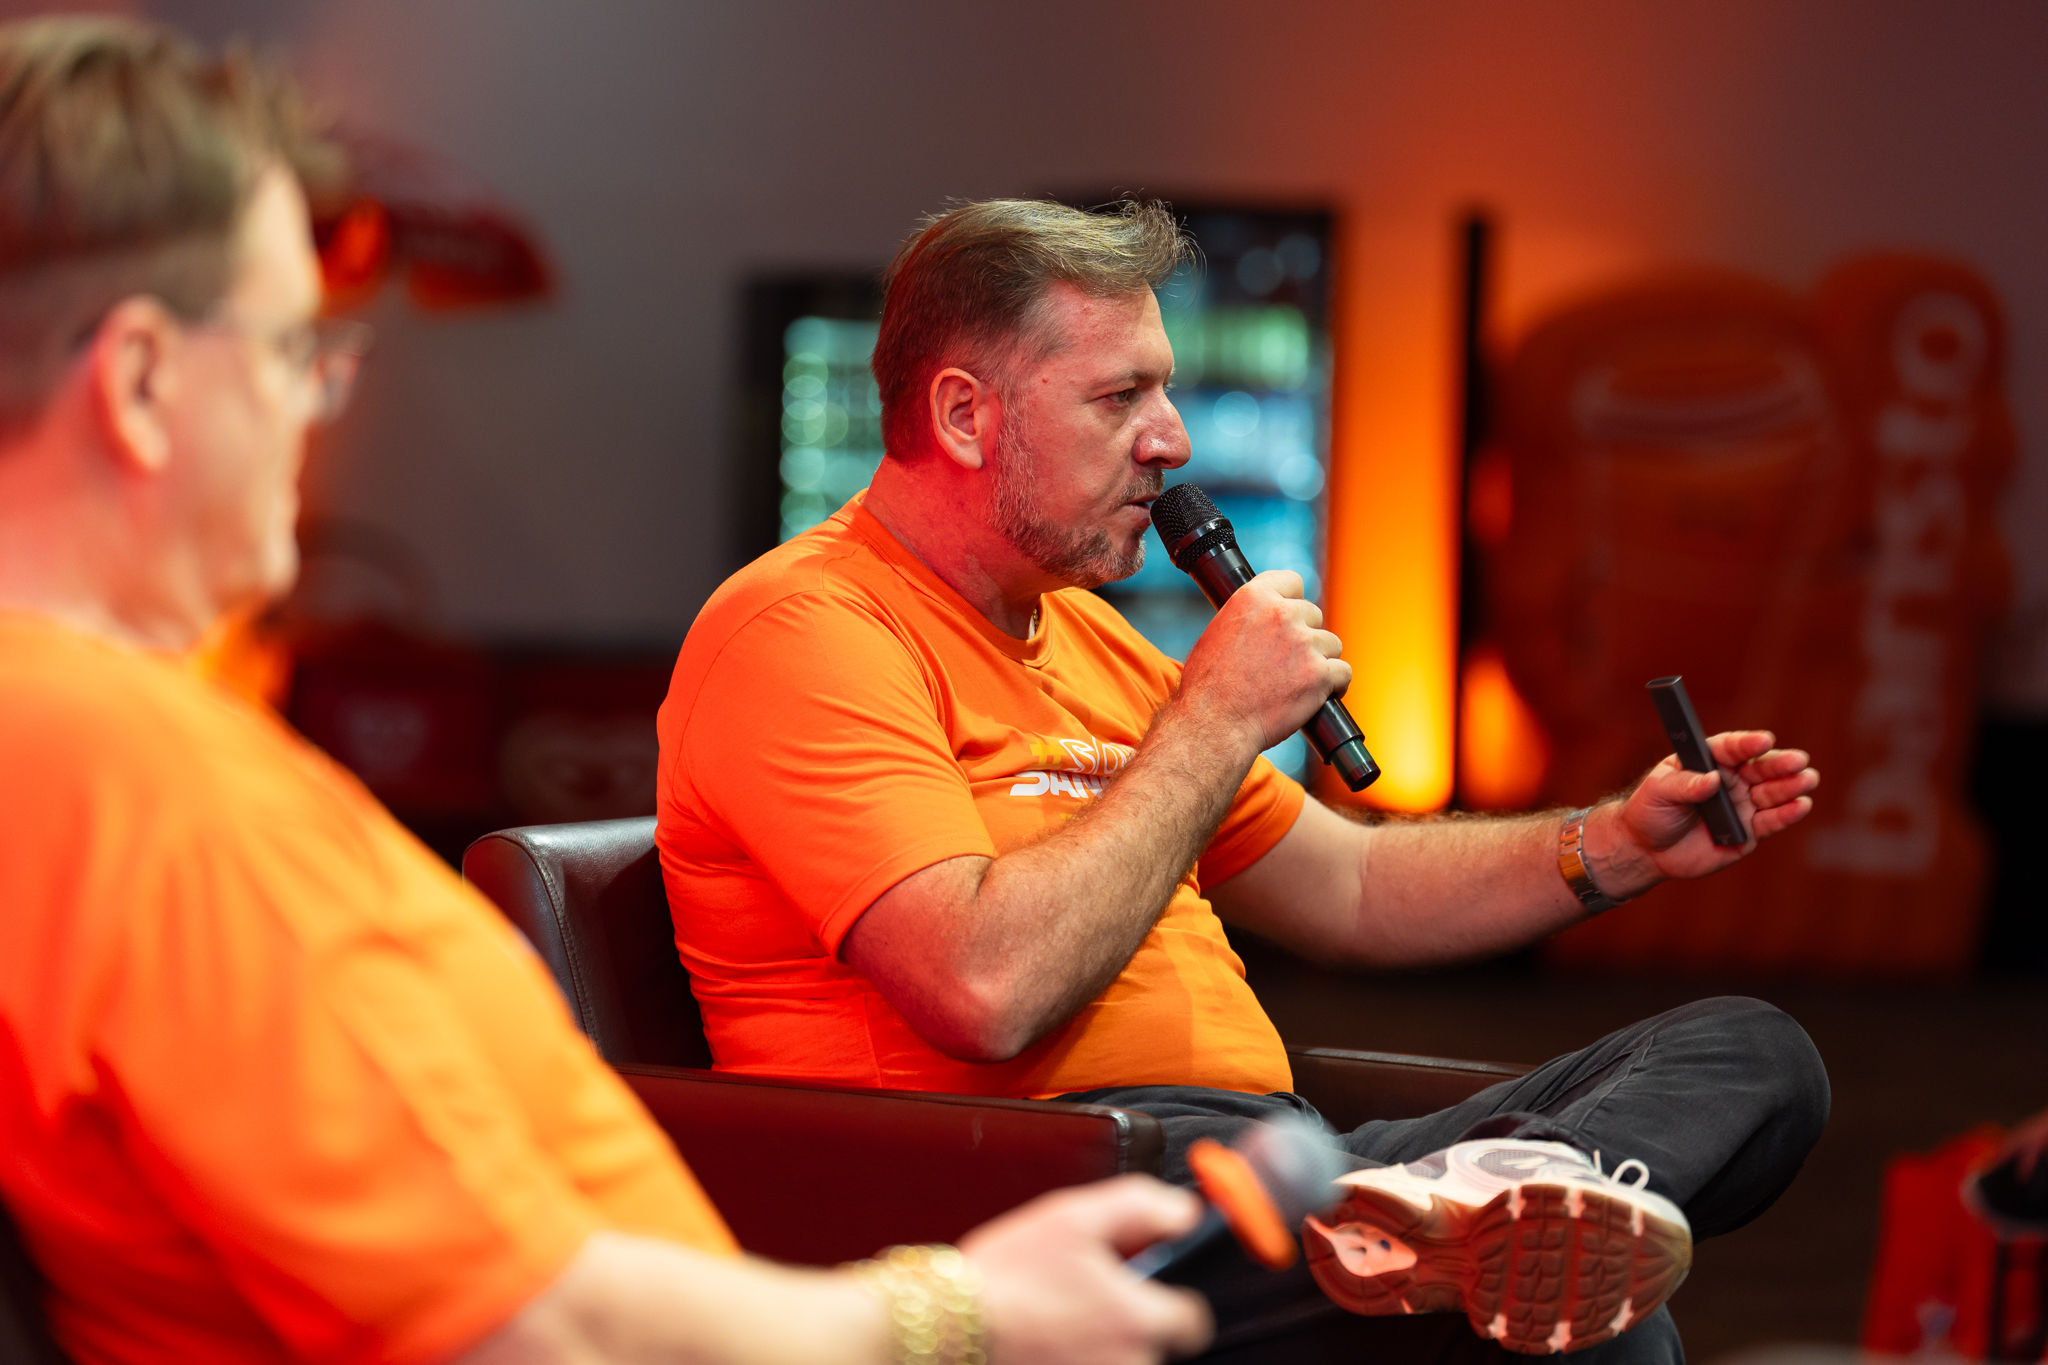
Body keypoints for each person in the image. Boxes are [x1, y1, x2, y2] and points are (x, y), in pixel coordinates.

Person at [0, 19, 1215, 1365]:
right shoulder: (147, 787)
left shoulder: (68, 750)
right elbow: (540, 1325)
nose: (316, 407)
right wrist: (969, 1312)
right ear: (143, 381)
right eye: (298, 349)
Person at [656, 198, 1832, 1361]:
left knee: (1751, 1053)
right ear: (965, 416)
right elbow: (982, 988)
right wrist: (1216, 718)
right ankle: (1477, 1226)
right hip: (1036, 1187)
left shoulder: (1089, 637)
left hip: (1271, 1161)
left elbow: (1353, 888)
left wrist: (1613, 843)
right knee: (1593, 1328)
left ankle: (1483, 1212)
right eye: (1119, 397)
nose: (1169, 439)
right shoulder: (804, 629)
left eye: (1163, 391)